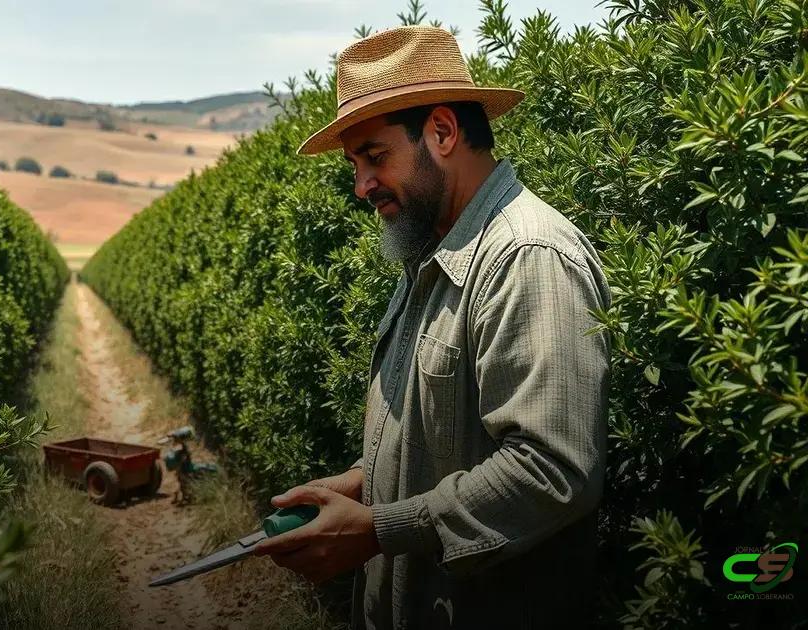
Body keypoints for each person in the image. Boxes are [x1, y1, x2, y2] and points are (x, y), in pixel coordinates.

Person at [252, 25, 612, 629]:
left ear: (442, 132)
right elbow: (440, 437)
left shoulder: (526, 256)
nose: (362, 185)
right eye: (355, 164)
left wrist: (379, 530)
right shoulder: (432, 256)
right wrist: (359, 488)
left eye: (375, 157)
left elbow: (551, 471)